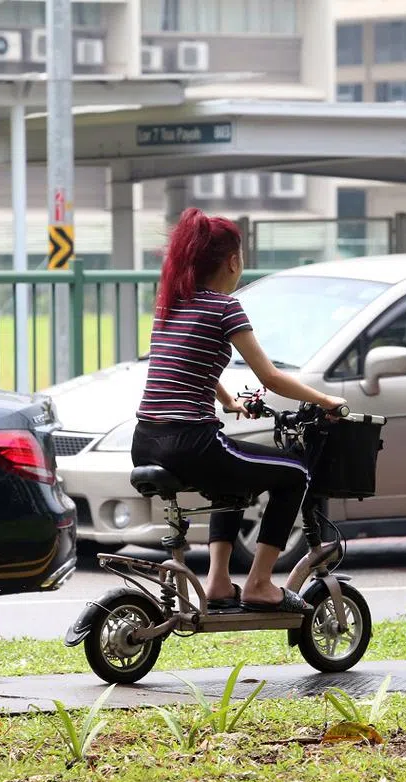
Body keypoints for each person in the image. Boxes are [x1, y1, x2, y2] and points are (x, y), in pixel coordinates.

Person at [131, 208, 347, 614]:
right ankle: (261, 584)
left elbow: (183, 361)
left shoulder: (170, 305)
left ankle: (216, 583)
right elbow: (271, 378)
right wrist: (325, 400)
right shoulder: (224, 308)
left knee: (231, 482)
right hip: (191, 441)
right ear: (232, 261)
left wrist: (227, 400)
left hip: (146, 441)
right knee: (295, 473)